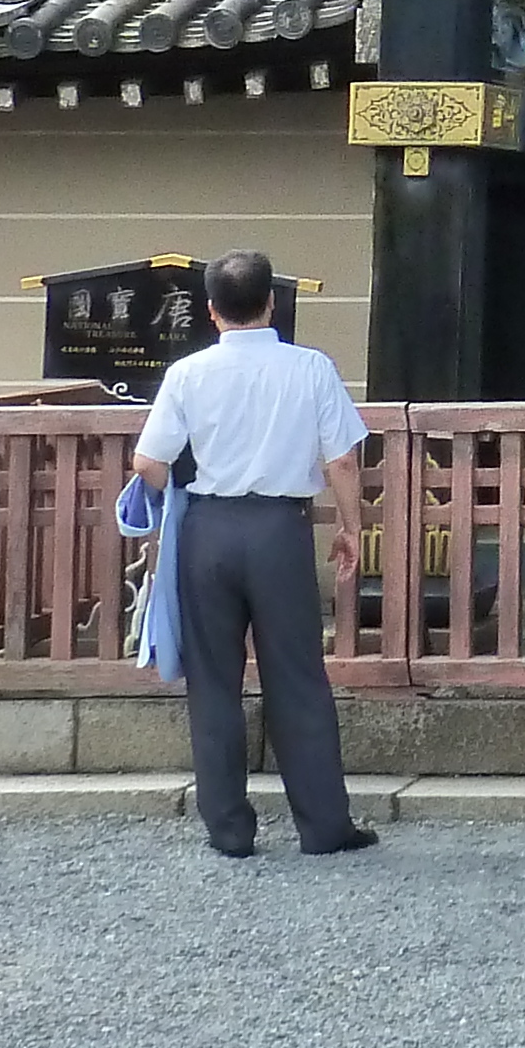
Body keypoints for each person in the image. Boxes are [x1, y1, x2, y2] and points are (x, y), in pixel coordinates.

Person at [125, 250, 381, 861]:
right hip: (280, 530)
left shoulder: (187, 373)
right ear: (272, 302)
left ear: (212, 312)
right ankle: (323, 827)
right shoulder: (311, 368)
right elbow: (342, 458)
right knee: (297, 678)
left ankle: (230, 832)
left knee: (214, 681)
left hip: (209, 530)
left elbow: (148, 462)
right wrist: (351, 526)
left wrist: (182, 499)